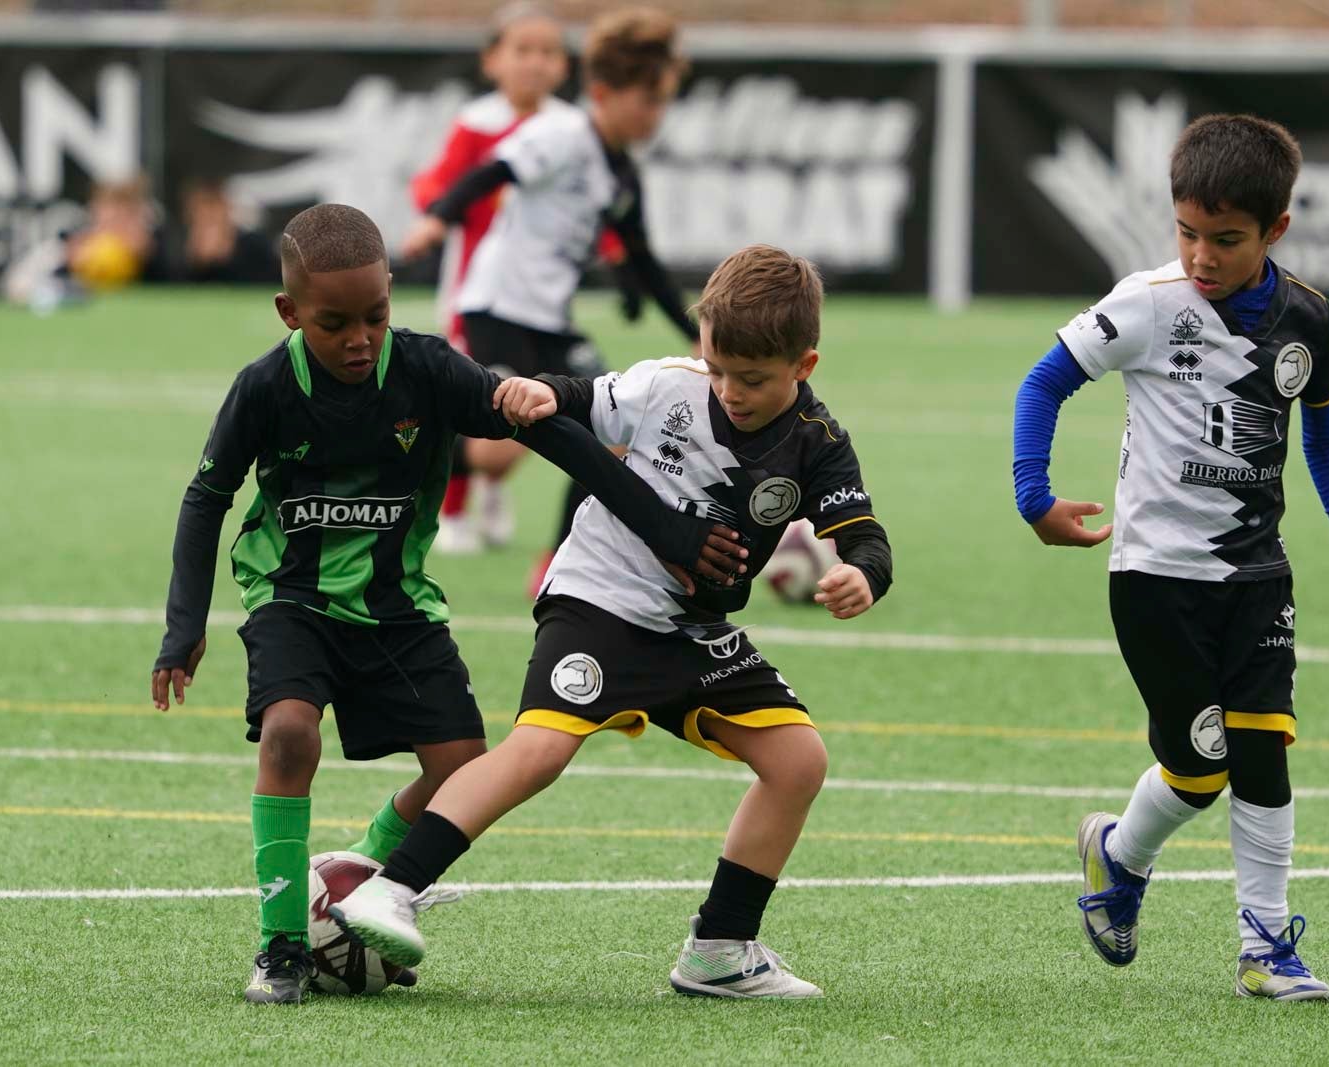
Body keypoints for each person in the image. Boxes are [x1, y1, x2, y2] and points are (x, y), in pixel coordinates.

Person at [149, 203, 746, 1005]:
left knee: (465, 766)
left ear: (393, 293)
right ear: (290, 313)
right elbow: (205, 496)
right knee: (290, 733)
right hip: (291, 596)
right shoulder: (263, 387)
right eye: (334, 324)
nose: (360, 338)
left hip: (399, 606)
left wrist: (666, 528)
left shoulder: (428, 369)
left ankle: (361, 867)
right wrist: (183, 626)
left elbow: (552, 434)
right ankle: (283, 943)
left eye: (376, 315)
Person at [331, 244, 893, 1000]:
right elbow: (579, 397)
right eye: (717, 367)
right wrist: (536, 392)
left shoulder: (817, 444)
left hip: (691, 633)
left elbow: (864, 534)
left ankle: (721, 948)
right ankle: (391, 886)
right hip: (598, 600)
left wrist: (860, 572)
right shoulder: (668, 385)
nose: (728, 390)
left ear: (806, 364)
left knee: (799, 761)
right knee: (539, 751)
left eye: (752, 379)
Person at [1010, 114, 1329, 1001]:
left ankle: (1266, 948)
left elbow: (1326, 432)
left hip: (1259, 575)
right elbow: (1044, 381)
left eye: (1225, 240)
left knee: (1263, 751)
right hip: (1154, 576)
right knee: (1197, 768)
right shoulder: (1146, 301)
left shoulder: (1308, 319)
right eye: (1186, 232)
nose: (1201, 255)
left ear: (1276, 232)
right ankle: (1119, 852)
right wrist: (1036, 498)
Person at [402, 6, 700, 593]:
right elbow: (492, 174)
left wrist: (694, 328)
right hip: (497, 308)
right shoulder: (561, 134)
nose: (656, 115)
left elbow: (642, 258)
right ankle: (385, 452)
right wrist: (439, 219)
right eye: (648, 99)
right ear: (604, 92)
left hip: (550, 321)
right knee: (501, 446)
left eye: (663, 101)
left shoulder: (621, 174)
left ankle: (556, 566)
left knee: (617, 430)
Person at [409, 2, 575, 554]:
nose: (535, 63)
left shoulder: (566, 129)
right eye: (522, 50)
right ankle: (452, 513)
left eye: (548, 52)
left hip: (538, 295)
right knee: (473, 399)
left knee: (531, 399)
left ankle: (492, 483)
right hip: (475, 293)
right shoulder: (477, 124)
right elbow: (436, 185)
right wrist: (436, 214)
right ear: (492, 60)